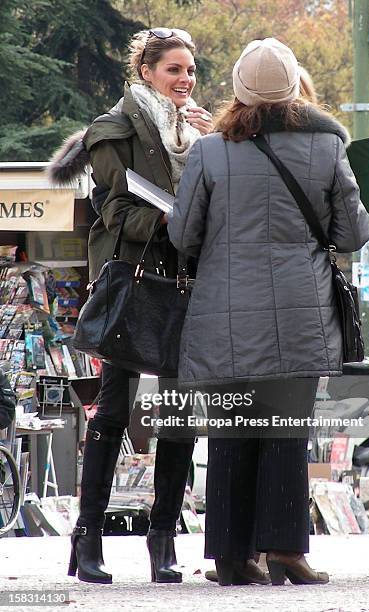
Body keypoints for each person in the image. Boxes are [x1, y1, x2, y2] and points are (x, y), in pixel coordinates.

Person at [168, 38, 369, 586]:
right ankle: (285, 552)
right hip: (300, 316)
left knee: (231, 431)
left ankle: (233, 558)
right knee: (285, 431)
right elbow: (352, 234)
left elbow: (183, 234)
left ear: (237, 91)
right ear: (293, 90)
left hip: (222, 315)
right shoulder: (328, 148)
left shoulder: (208, 151)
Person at [49, 27, 214, 585]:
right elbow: (115, 211)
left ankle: (163, 536)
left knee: (179, 414)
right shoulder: (113, 130)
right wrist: (174, 219)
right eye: (174, 69)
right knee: (114, 409)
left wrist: (216, 148)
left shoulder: (199, 132)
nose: (185, 80)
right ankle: (87, 536)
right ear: (145, 71)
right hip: (132, 280)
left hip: (188, 283)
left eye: (190, 70)